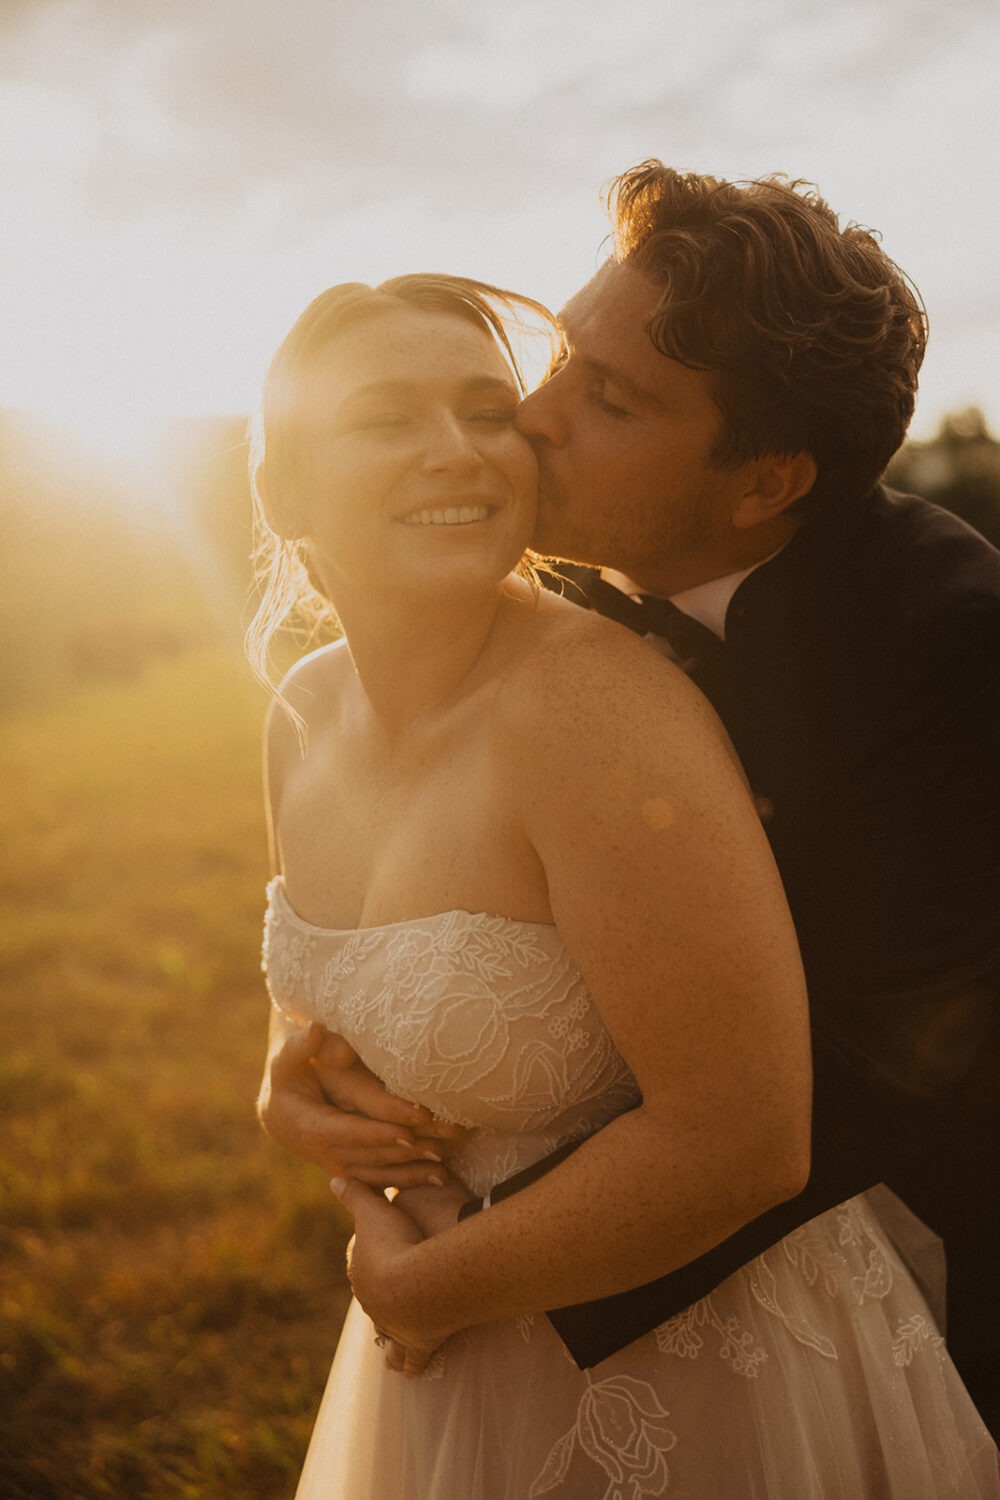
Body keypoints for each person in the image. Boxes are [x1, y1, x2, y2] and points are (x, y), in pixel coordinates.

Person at [251, 267, 999, 1497]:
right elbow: (329, 973)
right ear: (282, 489)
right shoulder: (301, 709)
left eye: (485, 410)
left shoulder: (627, 694)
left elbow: (757, 1130)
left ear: (766, 483)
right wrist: (286, 1087)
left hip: (700, 1350)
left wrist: (417, 1281)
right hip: (455, 1343)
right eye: (386, 417)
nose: (485, 445)